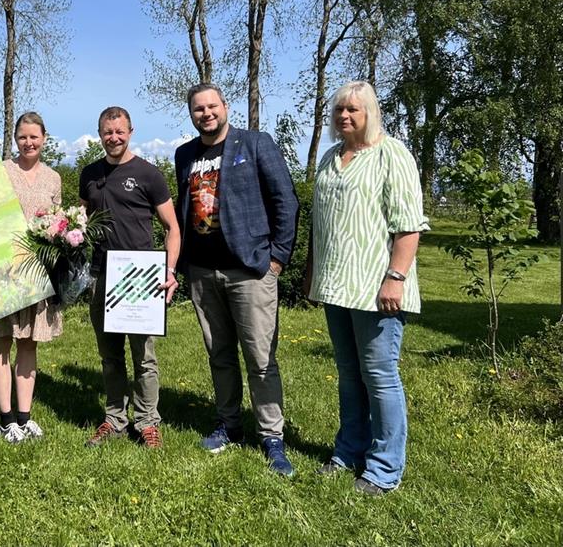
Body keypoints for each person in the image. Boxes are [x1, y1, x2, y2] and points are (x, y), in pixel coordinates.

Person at [308, 80, 429, 495]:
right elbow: (321, 226)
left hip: (378, 289)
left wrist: (395, 278)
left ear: (370, 113)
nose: (344, 116)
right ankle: (348, 451)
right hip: (337, 286)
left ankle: (384, 468)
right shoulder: (329, 158)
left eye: (353, 110)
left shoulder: (392, 154)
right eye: (339, 110)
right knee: (348, 376)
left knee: (379, 375)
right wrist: (312, 272)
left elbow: (409, 224)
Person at [174, 83, 299, 476]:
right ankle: (229, 426)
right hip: (202, 273)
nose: (206, 114)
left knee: (261, 359)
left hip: (250, 271)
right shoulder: (185, 155)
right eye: (198, 109)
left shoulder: (256, 144)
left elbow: (286, 200)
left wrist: (277, 259)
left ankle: (272, 437)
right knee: (220, 355)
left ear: (225, 107)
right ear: (191, 115)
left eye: (212, 106)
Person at [79, 106, 180, 448]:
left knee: (144, 358)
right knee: (110, 356)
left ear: (131, 131)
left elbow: (172, 228)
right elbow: (80, 222)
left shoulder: (149, 174)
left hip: (140, 277)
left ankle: (148, 421)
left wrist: (169, 270)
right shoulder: (89, 174)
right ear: (99, 133)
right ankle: (114, 418)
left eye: (120, 131)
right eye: (108, 132)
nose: (114, 138)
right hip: (100, 275)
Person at [0, 111, 63, 443]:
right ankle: (6, 419)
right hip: (4, 271)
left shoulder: (53, 178)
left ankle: (25, 416)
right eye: (23, 137)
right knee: (3, 341)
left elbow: (58, 223)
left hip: (38, 273)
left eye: (34, 137)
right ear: (16, 139)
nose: (29, 142)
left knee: (29, 343)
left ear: (44, 138)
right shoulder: (1, 172)